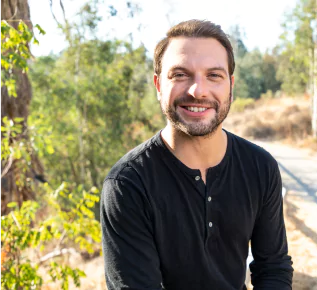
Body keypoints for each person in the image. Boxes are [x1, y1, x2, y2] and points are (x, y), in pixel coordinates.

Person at [101, 19, 293, 290]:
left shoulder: (260, 168)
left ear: (230, 85)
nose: (197, 90)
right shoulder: (127, 184)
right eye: (180, 74)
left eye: (214, 75)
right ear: (158, 85)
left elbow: (273, 268)